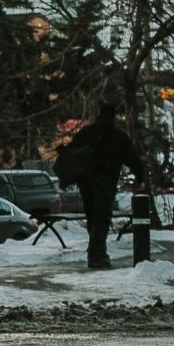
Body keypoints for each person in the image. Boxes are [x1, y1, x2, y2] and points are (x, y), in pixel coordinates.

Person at [61, 101, 147, 269]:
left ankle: (96, 252)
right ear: (113, 117)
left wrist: (67, 178)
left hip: (85, 182)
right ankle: (97, 255)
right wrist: (140, 178)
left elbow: (70, 154)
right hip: (106, 181)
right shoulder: (118, 136)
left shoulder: (86, 133)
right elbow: (132, 158)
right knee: (102, 218)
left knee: (92, 217)